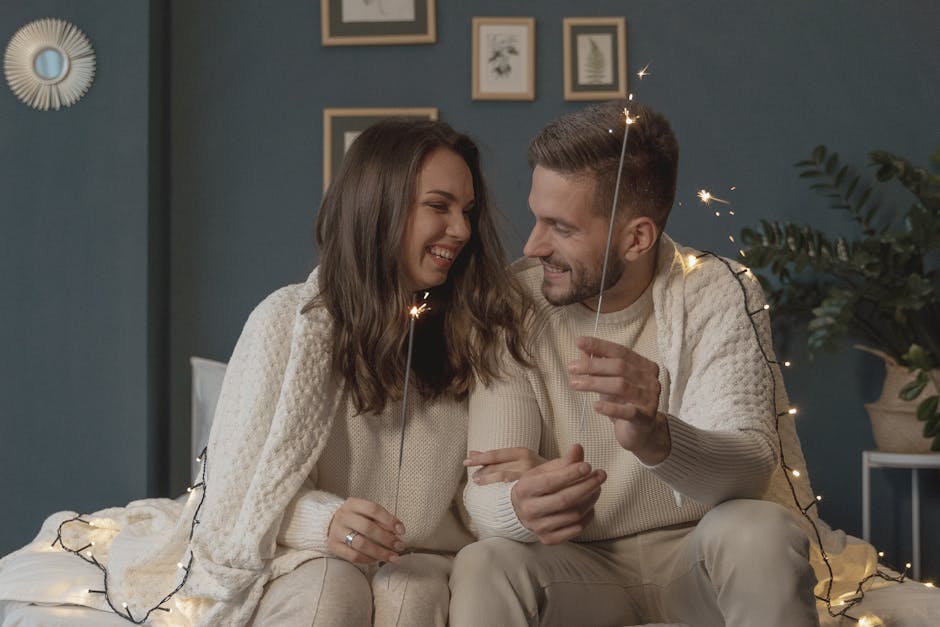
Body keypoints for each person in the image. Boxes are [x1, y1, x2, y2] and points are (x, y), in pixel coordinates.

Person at [0, 119, 531, 626]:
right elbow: (233, 499)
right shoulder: (287, 322)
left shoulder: (481, 332)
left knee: (409, 595)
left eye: (468, 211)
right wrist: (325, 521)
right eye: (438, 206)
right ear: (378, 209)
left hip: (424, 560)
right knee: (329, 591)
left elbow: (477, 499)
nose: (461, 229)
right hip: (302, 553)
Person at [448, 101, 824, 626]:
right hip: (575, 567)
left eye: (560, 227)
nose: (533, 246)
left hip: (696, 555)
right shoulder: (511, 304)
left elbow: (750, 471)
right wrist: (519, 506)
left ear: (636, 238)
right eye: (536, 217)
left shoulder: (716, 289)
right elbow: (485, 492)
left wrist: (656, 436)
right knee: (483, 563)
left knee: (762, 531)